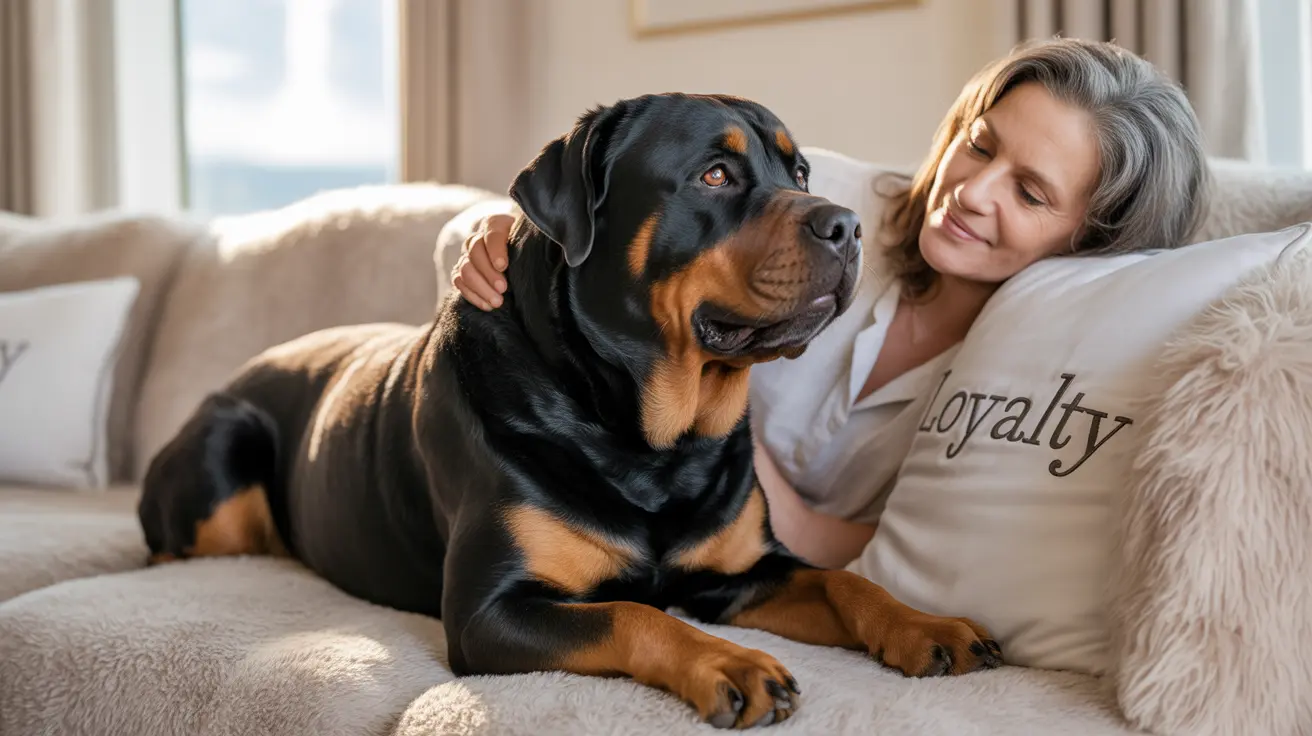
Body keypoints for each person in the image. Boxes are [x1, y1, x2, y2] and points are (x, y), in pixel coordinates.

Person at [442, 37, 1210, 570]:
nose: (970, 192)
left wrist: (753, 482)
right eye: (979, 144)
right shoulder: (821, 201)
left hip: (728, 560)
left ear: (1094, 240)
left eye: (1030, 191)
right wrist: (499, 230)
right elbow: (570, 218)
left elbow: (904, 556)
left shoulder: (1057, 378)